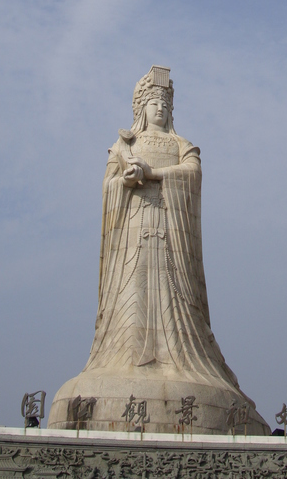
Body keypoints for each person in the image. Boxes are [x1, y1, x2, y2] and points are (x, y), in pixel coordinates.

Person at [84, 65, 239, 387]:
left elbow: (192, 173)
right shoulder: (124, 145)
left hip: (171, 235)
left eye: (165, 105)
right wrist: (126, 181)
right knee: (132, 292)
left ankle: (180, 355)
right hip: (133, 234)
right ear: (141, 108)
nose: (160, 109)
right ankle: (122, 355)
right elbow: (108, 185)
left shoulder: (181, 144)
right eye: (154, 103)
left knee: (175, 293)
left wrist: (153, 174)